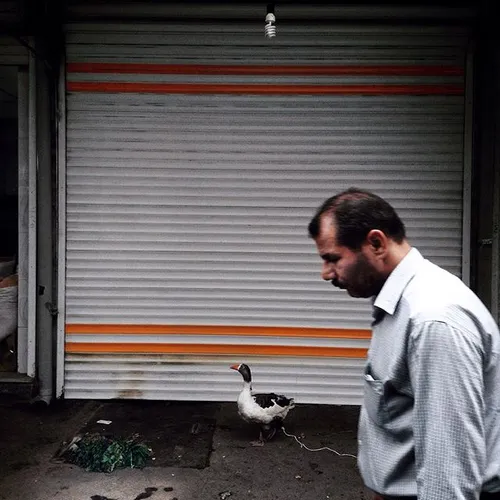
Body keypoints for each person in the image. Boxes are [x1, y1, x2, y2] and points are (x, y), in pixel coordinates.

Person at [308, 187, 500, 500]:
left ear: (376, 243)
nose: (325, 273)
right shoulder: (403, 305)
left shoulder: (433, 321)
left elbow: (448, 474)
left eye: (333, 258)